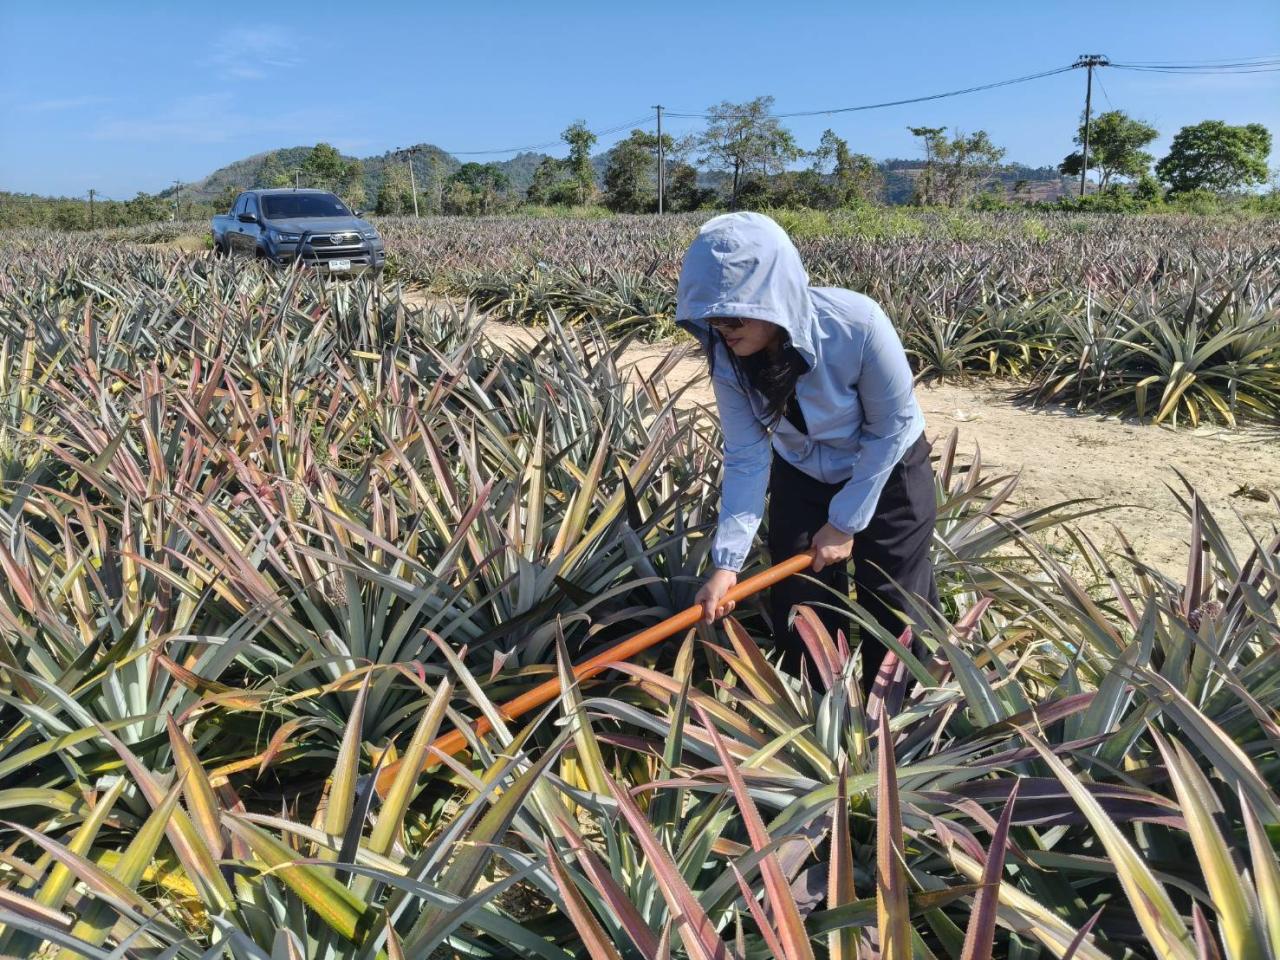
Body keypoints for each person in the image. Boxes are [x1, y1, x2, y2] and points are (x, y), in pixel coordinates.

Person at [677, 212, 938, 695]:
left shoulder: (858, 324)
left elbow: (889, 430)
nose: (722, 328)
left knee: (895, 597)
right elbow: (746, 456)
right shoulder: (727, 355)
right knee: (801, 602)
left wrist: (844, 522)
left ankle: (901, 727)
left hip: (888, 469)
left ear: (772, 299)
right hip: (801, 470)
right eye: (712, 316)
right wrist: (727, 564)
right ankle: (819, 714)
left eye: (733, 315)